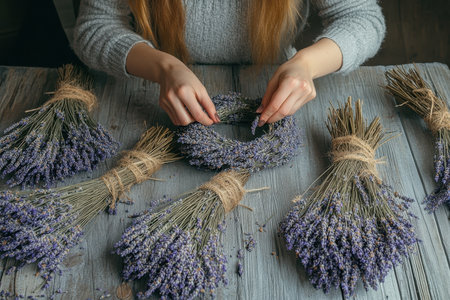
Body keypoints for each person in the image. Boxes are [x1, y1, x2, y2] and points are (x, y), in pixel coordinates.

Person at [73, 0, 385, 127]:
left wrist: (306, 64)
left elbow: (363, 18)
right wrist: (164, 67)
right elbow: (94, 26)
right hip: (141, 104)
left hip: (278, 93)